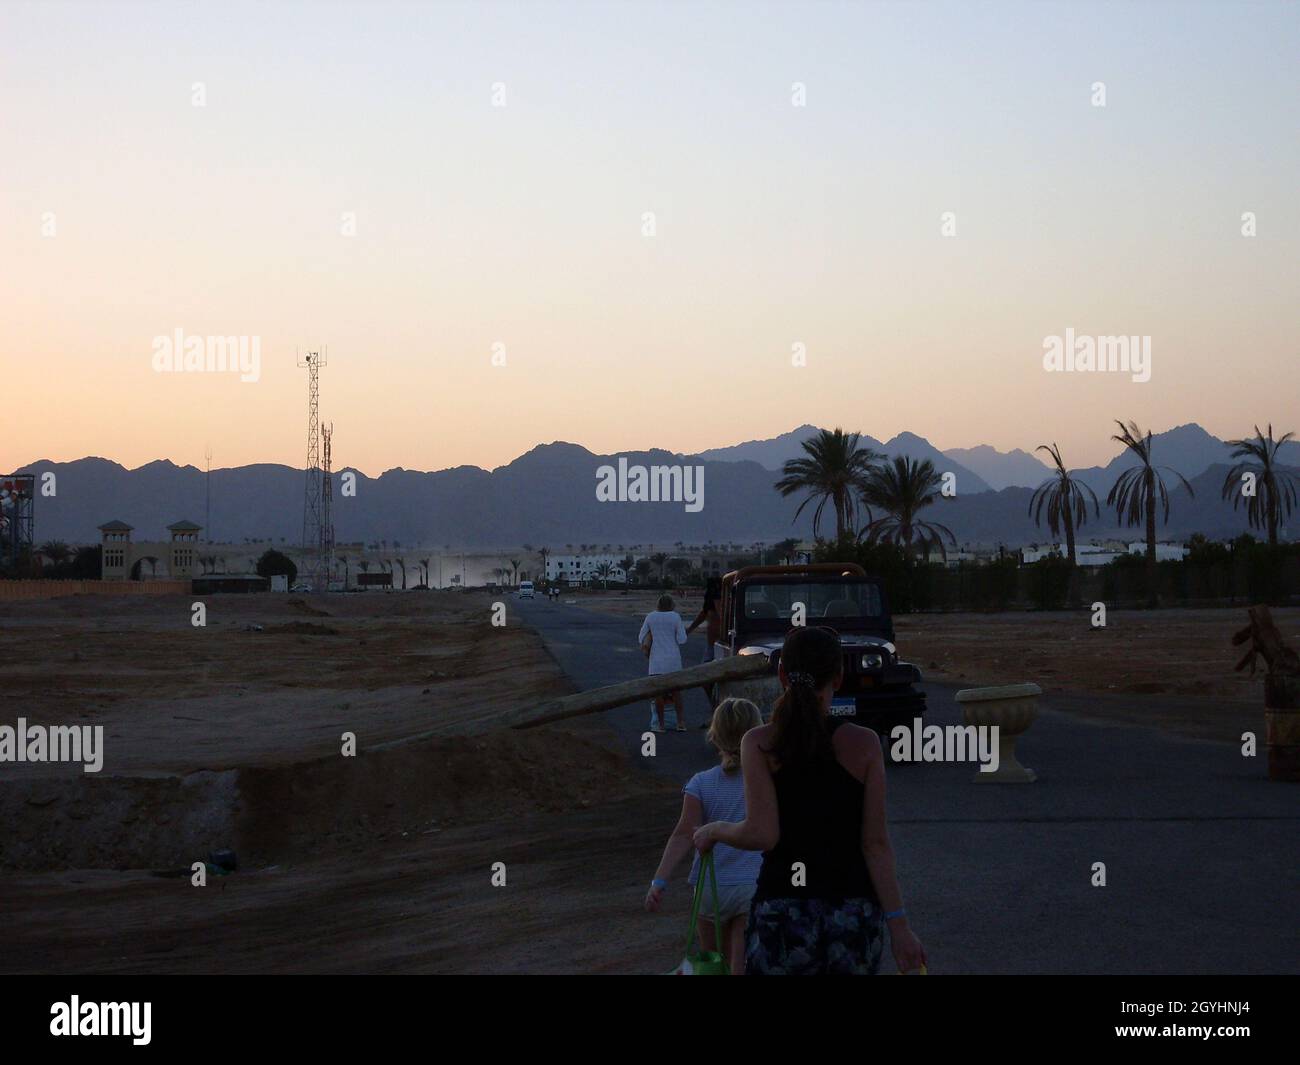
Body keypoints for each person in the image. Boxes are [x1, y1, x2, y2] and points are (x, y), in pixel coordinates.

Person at [693, 625, 926, 975]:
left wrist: (714, 830)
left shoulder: (758, 743)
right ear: (839, 676)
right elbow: (875, 845)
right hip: (851, 915)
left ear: (782, 673)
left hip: (782, 914)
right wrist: (900, 928)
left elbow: (762, 834)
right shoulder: (864, 744)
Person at [645, 698, 763, 973]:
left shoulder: (701, 783)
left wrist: (659, 880)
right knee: (740, 963)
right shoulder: (765, 780)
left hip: (711, 888)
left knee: (711, 963)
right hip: (752, 884)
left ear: (714, 735)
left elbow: (683, 835)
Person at [638, 594, 688, 732]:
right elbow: (682, 639)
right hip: (673, 660)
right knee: (676, 693)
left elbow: (641, 636)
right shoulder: (675, 617)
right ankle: (680, 723)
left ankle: (660, 725)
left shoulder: (651, 617)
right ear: (672, 604)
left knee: (658, 694)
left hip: (656, 661)